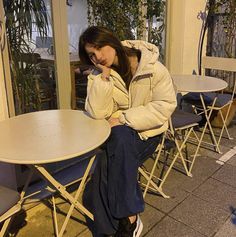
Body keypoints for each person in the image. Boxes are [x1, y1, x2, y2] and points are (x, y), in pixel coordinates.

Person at [79, 26, 177, 237]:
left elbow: (165, 106)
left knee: (108, 157)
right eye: (91, 54)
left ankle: (120, 224)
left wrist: (123, 118)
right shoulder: (100, 73)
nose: (97, 56)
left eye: (99, 48)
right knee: (112, 153)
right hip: (118, 136)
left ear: (111, 41)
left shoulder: (153, 68)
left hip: (148, 133)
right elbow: (97, 112)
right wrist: (103, 77)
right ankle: (127, 220)